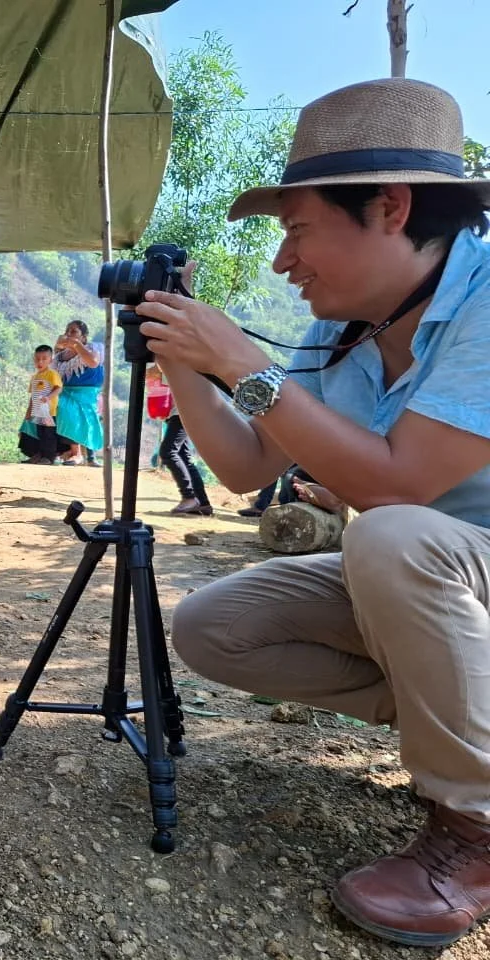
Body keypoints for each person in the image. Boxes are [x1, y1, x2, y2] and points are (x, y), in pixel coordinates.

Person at [137, 79, 490, 948]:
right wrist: (184, 354)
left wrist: (243, 361)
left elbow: (400, 484)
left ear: (390, 206)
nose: (282, 263)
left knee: (390, 533)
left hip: (436, 561)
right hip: (452, 588)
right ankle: (470, 730)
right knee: (216, 626)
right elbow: (243, 465)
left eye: (296, 231)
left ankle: (475, 830)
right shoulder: (353, 334)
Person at [146, 364, 212, 515]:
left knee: (168, 452)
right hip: (177, 411)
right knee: (183, 456)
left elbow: (152, 372)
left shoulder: (172, 358)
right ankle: (202, 503)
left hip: (184, 411)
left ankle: (189, 497)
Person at [52, 321, 104, 465]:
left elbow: (93, 362)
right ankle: (68, 453)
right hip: (67, 392)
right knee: (58, 408)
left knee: (77, 413)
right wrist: (57, 347)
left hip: (88, 394)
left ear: (84, 337)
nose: (69, 334)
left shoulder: (93, 348)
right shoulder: (61, 356)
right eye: (67, 331)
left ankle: (85, 455)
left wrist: (76, 345)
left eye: (74, 332)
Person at [22, 344, 62, 464]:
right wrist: (28, 412)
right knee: (39, 434)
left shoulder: (52, 374)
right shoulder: (34, 377)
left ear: (51, 359)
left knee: (49, 435)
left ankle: (49, 458)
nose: (40, 362)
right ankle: (39, 456)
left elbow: (58, 388)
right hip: (37, 412)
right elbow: (33, 395)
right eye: (38, 359)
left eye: (44, 359)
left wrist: (48, 397)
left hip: (49, 412)